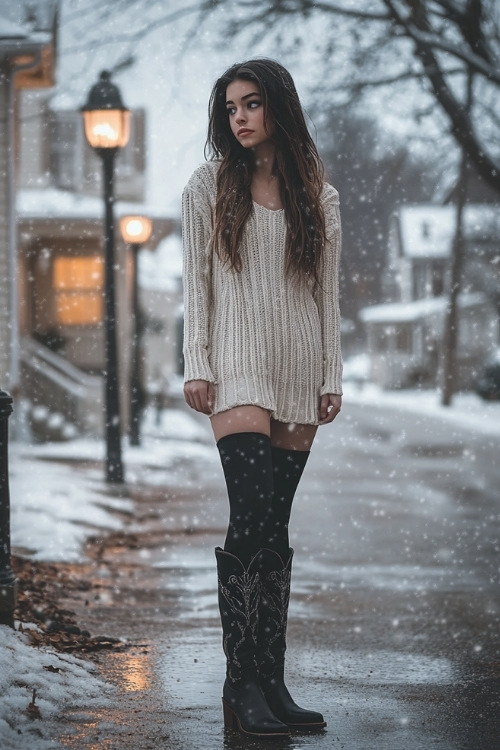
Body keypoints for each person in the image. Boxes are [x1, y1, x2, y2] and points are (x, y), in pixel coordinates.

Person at [182, 58, 342, 738]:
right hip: (238, 368)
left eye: (250, 104)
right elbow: (198, 283)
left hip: (299, 368)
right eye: (230, 108)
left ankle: (271, 681)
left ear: (278, 106)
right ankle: (239, 680)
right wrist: (198, 361)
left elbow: (326, 294)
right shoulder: (210, 186)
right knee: (249, 516)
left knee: (274, 527)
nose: (239, 118)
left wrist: (330, 372)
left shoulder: (318, 193)